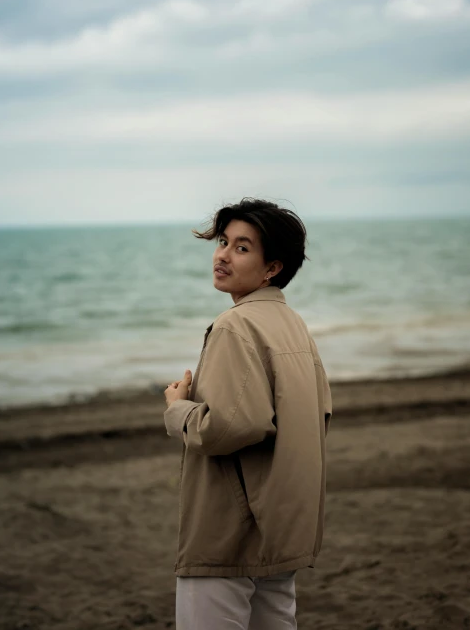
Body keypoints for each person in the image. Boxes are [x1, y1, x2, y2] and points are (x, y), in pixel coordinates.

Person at [164, 198, 332, 630]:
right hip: (279, 526)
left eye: (242, 247)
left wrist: (178, 410)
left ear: (272, 267)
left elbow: (231, 426)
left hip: (228, 532)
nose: (222, 255)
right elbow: (321, 412)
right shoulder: (292, 324)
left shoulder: (234, 326)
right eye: (223, 242)